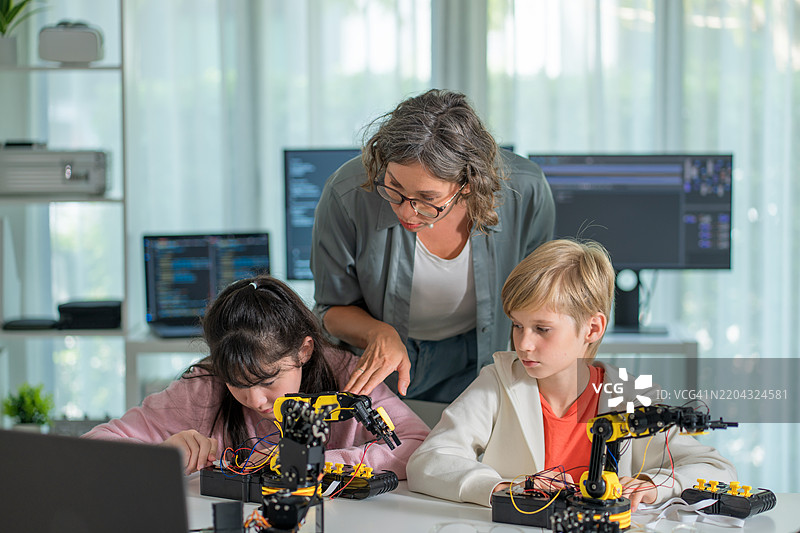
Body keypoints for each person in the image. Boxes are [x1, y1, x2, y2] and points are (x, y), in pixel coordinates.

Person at [405, 239, 736, 510]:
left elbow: (715, 468)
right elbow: (429, 462)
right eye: (518, 325)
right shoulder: (497, 382)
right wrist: (504, 488)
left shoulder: (631, 395)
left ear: (592, 328)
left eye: (542, 329)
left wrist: (656, 483)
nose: (524, 343)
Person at [311, 89, 555, 402]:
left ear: (467, 186)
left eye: (428, 199)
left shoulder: (526, 190)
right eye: (394, 187)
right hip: (380, 362)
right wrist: (377, 332)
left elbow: (541, 298)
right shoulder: (347, 193)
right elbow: (330, 308)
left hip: (480, 355)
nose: (406, 211)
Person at [84, 275, 430, 478]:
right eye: (238, 383)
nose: (255, 400)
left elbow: (419, 445)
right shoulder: (204, 387)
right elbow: (89, 450)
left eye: (267, 381)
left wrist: (314, 463)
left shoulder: (349, 378)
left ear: (304, 351)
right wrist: (159, 457)